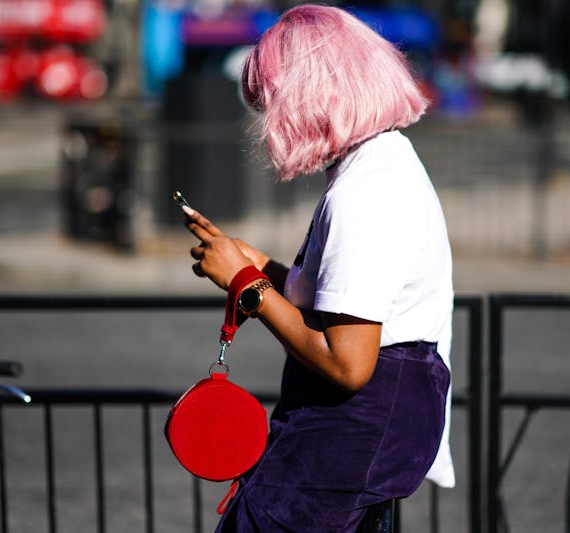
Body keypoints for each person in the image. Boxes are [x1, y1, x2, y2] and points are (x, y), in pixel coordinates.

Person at [181, 5, 453, 531]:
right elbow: (342, 300)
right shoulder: (383, 162)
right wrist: (258, 265)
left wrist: (248, 284)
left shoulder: (366, 192)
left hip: (346, 440)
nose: (267, 120)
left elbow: (348, 363)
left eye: (271, 103)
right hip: (366, 439)